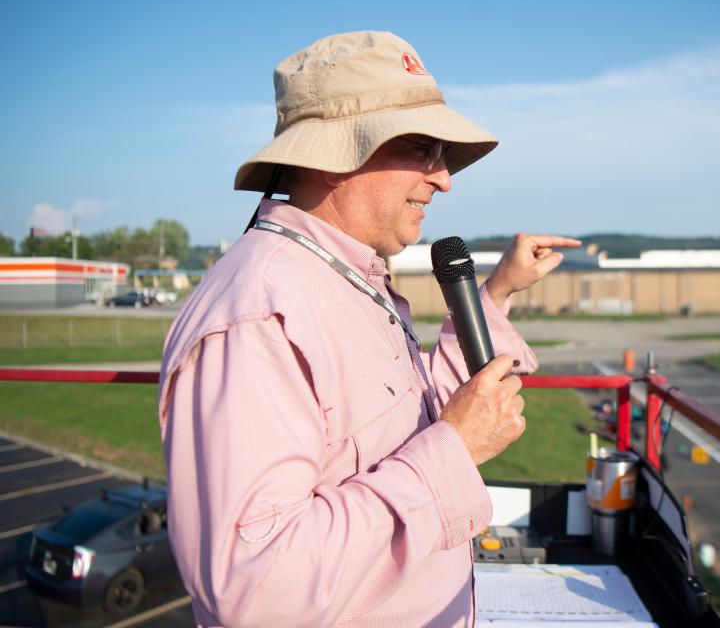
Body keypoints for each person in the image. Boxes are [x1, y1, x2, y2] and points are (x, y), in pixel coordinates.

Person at [158, 31, 581, 627]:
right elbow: (256, 590)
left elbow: (410, 424)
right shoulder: (259, 317)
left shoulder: (343, 278)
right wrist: (454, 452)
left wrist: (498, 294)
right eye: (423, 148)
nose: (444, 178)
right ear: (335, 157)